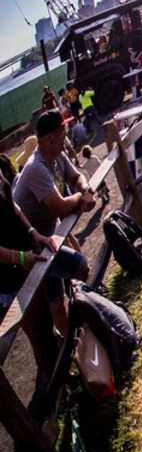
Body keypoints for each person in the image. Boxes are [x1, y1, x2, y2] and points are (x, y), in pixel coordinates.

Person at [11, 111, 95, 385]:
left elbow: (77, 177)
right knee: (79, 267)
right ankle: (76, 348)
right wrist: (80, 198)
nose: (65, 136)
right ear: (48, 138)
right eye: (61, 132)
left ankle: (79, 353)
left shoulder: (56, 155)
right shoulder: (36, 168)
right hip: (33, 251)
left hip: (49, 241)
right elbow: (58, 205)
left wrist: (85, 191)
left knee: (58, 304)